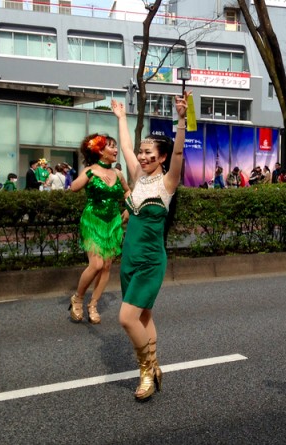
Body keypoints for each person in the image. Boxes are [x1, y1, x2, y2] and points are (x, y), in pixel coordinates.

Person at [112, 92, 188, 401]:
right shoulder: (137, 177)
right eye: (141, 152)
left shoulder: (167, 183)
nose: (142, 157)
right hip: (129, 260)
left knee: (126, 318)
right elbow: (125, 146)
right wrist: (121, 118)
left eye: (148, 153)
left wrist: (181, 119)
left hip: (150, 261)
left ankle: (145, 372)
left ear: (162, 157)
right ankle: (154, 365)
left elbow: (179, 151)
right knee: (143, 316)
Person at [69, 133, 130, 325]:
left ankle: (93, 305)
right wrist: (90, 173)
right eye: (111, 146)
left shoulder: (118, 174)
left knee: (106, 266)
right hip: (93, 220)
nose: (115, 150)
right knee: (96, 264)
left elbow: (127, 191)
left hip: (113, 223)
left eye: (115, 146)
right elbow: (73, 187)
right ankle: (78, 298)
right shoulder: (90, 170)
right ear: (100, 150)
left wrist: (128, 207)